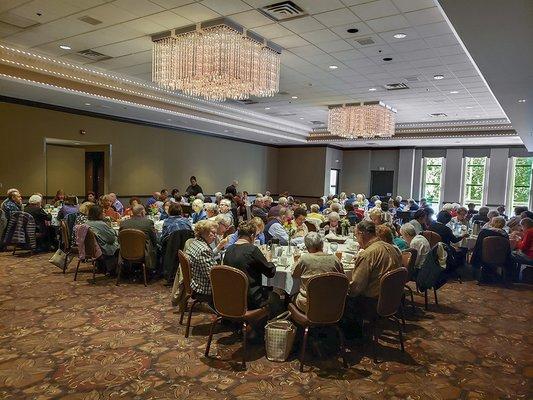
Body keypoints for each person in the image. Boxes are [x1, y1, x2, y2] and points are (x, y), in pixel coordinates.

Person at [343, 221, 402, 336]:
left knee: (339, 298)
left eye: (356, 236)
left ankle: (347, 337)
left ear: (361, 234)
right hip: (391, 298)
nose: (357, 240)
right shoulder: (393, 248)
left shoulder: (368, 254)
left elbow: (356, 288)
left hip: (371, 303)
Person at [223, 220, 277, 311]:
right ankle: (264, 323)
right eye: (256, 236)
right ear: (252, 236)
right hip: (251, 299)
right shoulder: (252, 250)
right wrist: (269, 259)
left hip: (231, 297)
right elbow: (270, 273)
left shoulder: (229, 249)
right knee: (276, 297)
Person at [291, 232, 344, 312]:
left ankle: (291, 321)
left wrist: (296, 262)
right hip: (332, 304)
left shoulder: (304, 259)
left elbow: (294, 275)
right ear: (322, 245)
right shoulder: (335, 259)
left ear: (307, 247)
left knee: (290, 295)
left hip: (308, 304)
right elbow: (342, 279)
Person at [119, 204, 158, 270]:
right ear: (142, 212)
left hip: (125, 252)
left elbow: (119, 240)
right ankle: (153, 272)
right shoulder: (148, 223)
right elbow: (154, 240)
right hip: (144, 254)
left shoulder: (123, 223)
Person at [185, 220, 218, 296]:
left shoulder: (194, 242)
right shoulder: (204, 250)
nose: (215, 236)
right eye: (213, 233)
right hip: (204, 288)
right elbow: (211, 275)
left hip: (196, 281)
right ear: (204, 233)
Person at [85, 205, 119, 273]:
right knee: (124, 245)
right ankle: (120, 269)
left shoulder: (87, 222)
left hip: (93, 248)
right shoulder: (101, 224)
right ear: (98, 214)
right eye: (103, 212)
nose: (104, 214)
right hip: (103, 248)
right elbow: (111, 239)